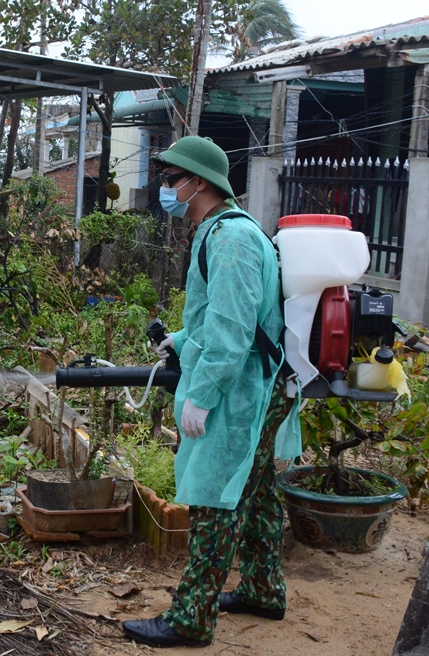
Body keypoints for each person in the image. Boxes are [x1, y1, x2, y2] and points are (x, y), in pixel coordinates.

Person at [121, 136, 301, 648]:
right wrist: (181, 339)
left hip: (246, 390)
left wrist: (202, 394)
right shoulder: (215, 232)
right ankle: (264, 591)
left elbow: (232, 329)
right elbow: (214, 316)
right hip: (259, 384)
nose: (166, 187)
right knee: (259, 490)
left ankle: (191, 618)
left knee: (216, 497)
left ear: (199, 182)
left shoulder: (230, 240)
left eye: (172, 178)